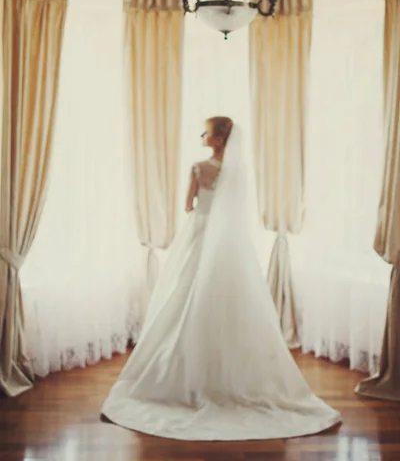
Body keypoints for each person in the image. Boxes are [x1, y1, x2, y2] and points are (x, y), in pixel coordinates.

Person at [102, 117, 341, 440]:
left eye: (206, 131)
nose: (202, 135)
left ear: (216, 140)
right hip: (231, 245)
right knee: (233, 305)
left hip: (199, 238)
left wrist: (198, 205)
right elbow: (238, 211)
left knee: (184, 300)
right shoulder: (239, 172)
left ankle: (182, 378)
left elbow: (189, 206)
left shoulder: (199, 168)